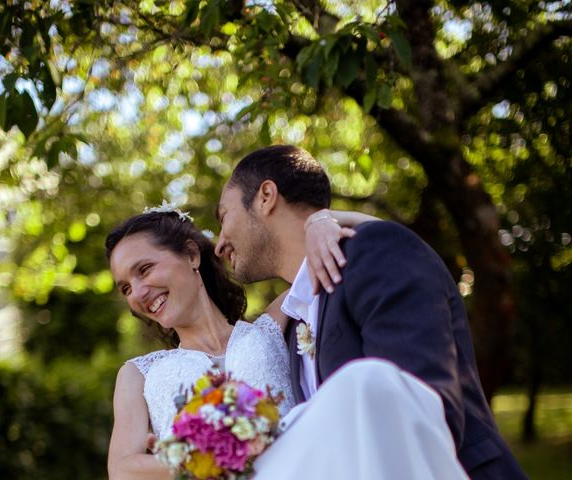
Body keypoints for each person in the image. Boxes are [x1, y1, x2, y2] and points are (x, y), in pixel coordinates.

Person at [214, 144, 527, 479]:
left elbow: (424, 408)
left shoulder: (374, 250)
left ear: (266, 196)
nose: (218, 244)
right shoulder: (290, 328)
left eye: (224, 217)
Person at [105, 205, 468, 479]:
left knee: (366, 383)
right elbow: (121, 469)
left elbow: (374, 236)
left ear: (191, 255)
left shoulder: (271, 326)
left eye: (144, 270)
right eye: (125, 287)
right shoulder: (139, 374)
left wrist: (322, 219)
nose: (137, 292)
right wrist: (209, 453)